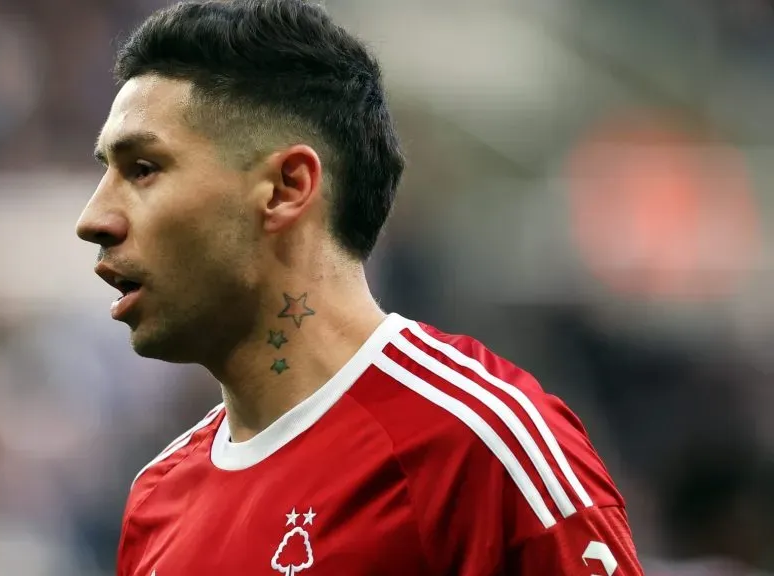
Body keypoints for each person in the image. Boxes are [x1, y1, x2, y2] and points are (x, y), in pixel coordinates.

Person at [76, 0, 644, 574]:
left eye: (142, 169)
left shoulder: (478, 444)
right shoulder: (158, 499)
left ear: (286, 188)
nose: (93, 218)